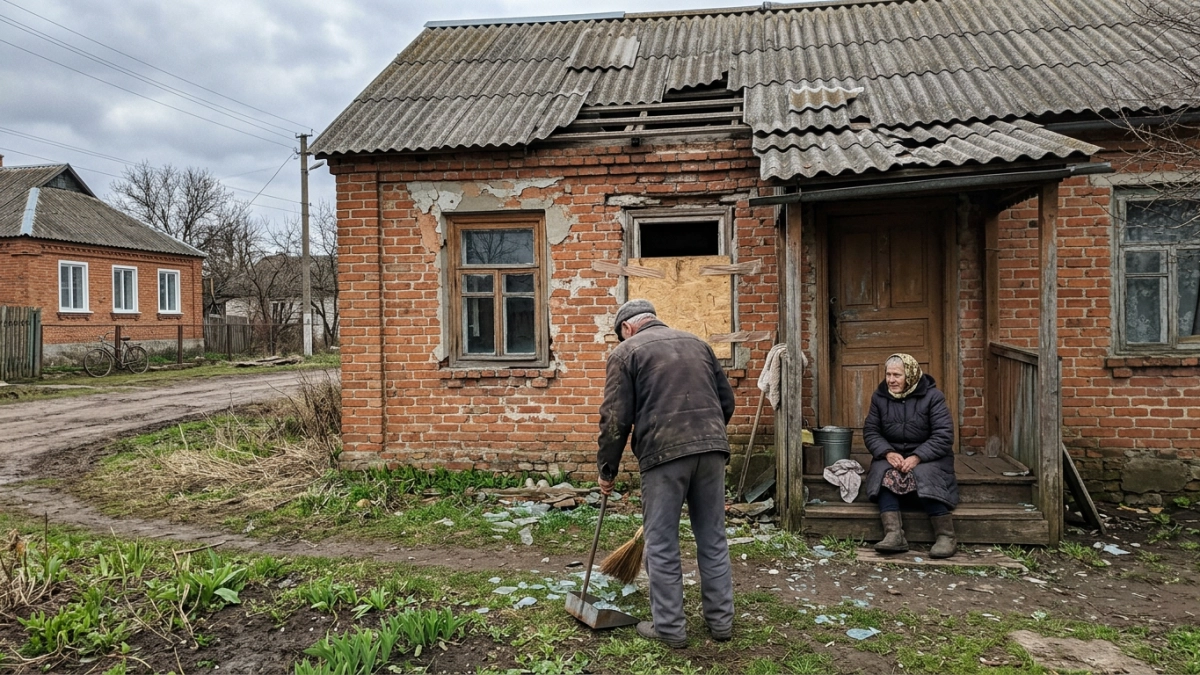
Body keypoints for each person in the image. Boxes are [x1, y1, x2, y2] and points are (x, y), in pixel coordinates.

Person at [596, 299, 736, 648]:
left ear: (627, 328)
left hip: (664, 455)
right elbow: (727, 402)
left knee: (660, 543)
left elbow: (615, 420)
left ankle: (670, 628)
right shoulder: (697, 343)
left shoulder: (627, 353)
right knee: (713, 537)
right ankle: (721, 624)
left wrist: (607, 470)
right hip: (712, 451)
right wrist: (705, 437)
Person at [862, 353, 959, 558]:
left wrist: (917, 456)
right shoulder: (879, 397)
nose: (891, 380)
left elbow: (944, 435)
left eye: (897, 375)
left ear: (911, 375)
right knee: (883, 471)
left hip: (929, 456)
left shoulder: (933, 397)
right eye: (888, 374)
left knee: (925, 474)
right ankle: (894, 535)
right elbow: (871, 431)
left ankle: (946, 536)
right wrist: (887, 452)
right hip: (892, 454)